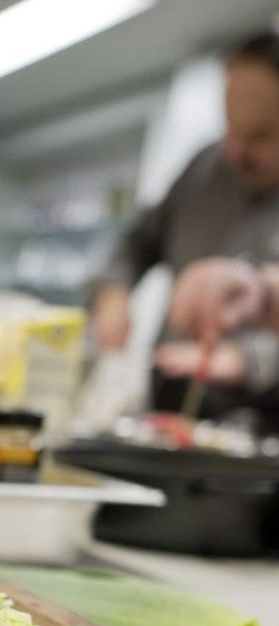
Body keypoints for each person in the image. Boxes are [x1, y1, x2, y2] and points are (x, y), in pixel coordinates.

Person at [91, 30, 279, 426]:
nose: (237, 152)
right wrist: (114, 292)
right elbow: (137, 242)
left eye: (260, 135)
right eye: (232, 130)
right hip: (168, 401)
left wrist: (250, 360)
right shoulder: (205, 171)